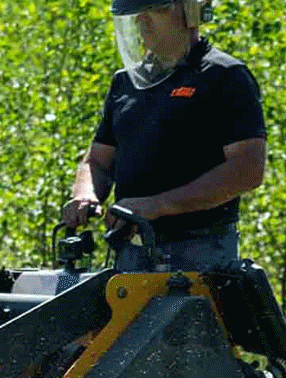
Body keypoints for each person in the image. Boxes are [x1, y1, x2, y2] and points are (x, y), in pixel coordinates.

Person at [61, 0, 267, 273]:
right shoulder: (125, 82)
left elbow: (247, 170)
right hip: (129, 253)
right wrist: (86, 195)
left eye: (155, 11)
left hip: (199, 254)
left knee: (178, 317)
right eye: (136, 15)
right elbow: (97, 161)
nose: (141, 22)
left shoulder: (225, 76)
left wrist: (156, 206)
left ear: (190, 11)